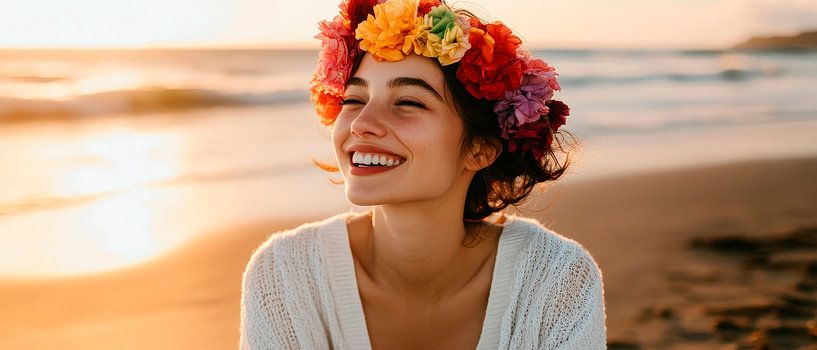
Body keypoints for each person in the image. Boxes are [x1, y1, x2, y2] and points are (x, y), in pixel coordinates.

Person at [239, 0, 607, 348]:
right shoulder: (285, 275)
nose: (361, 124)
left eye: (408, 103)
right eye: (354, 100)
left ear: (480, 149)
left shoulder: (555, 279)